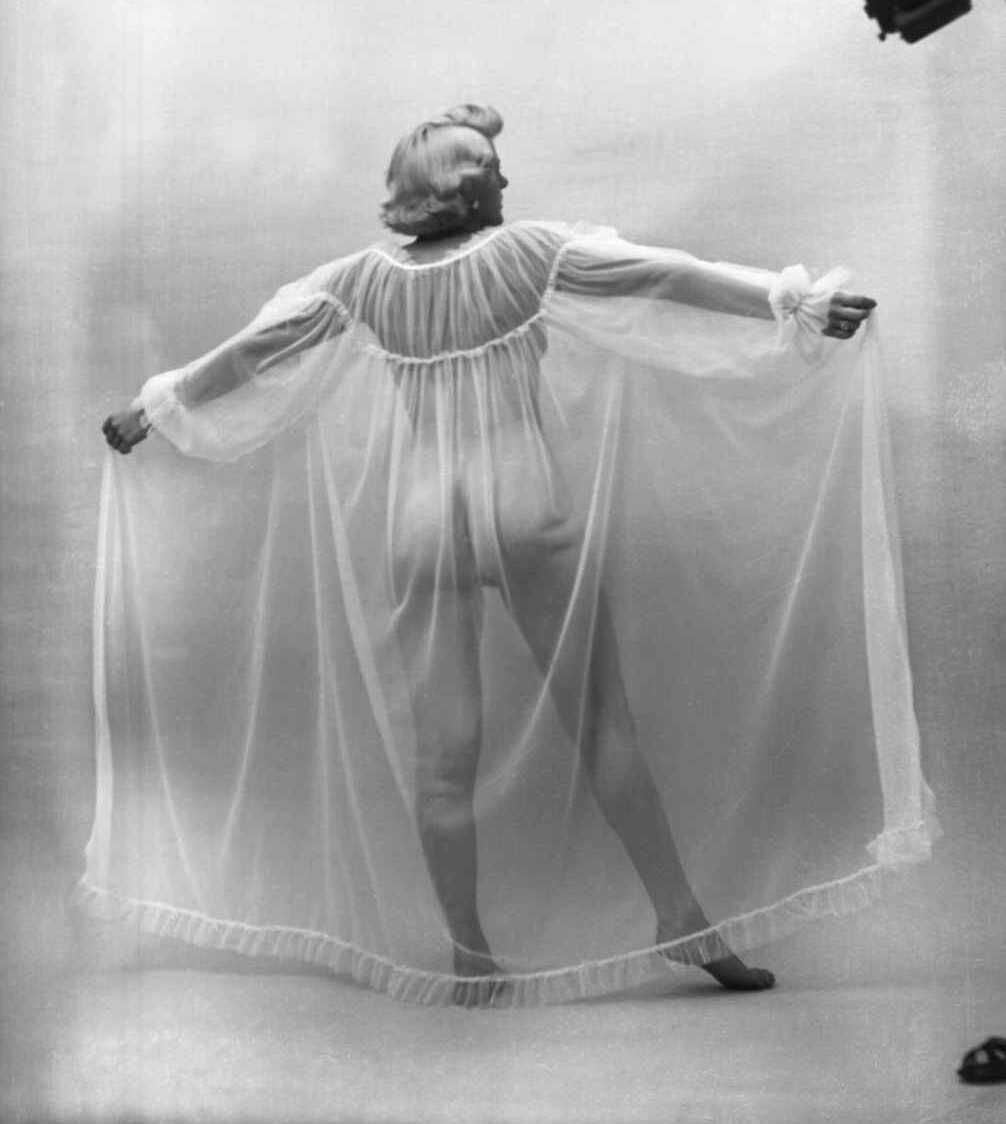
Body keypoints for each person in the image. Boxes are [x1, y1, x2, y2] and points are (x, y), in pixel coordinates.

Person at [91, 105, 933, 1008]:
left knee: (441, 756)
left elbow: (250, 355)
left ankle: (470, 956)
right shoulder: (529, 254)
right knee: (603, 726)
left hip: (422, 522)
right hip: (525, 507)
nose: (505, 179)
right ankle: (682, 919)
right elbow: (664, 278)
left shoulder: (358, 283)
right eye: (491, 168)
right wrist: (793, 303)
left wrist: (154, 409)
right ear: (460, 185)